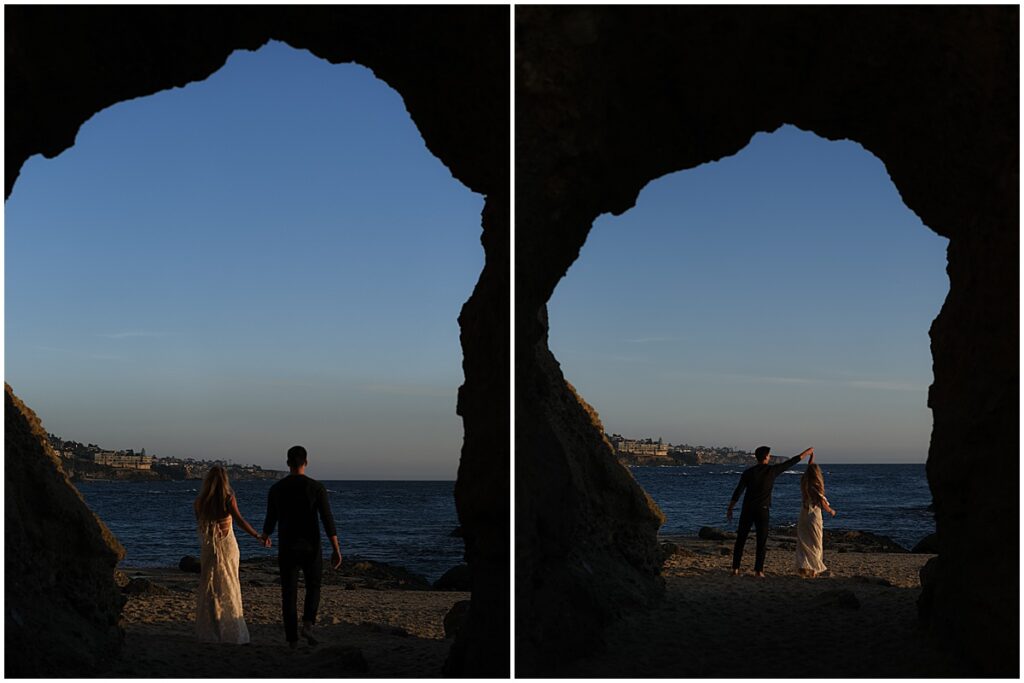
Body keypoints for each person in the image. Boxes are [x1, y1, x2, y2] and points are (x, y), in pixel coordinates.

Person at [260, 445, 343, 648]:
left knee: (288, 592)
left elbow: (271, 518)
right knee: (313, 586)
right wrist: (336, 549)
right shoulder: (316, 488)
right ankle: (307, 623)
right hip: (311, 546)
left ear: (288, 463)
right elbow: (327, 519)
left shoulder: (276, 489)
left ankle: (292, 640)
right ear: (306, 462)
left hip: (287, 547)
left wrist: (265, 536)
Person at [193, 465, 263, 644]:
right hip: (228, 547)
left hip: (209, 548)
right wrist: (257, 535)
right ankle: (232, 631)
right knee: (230, 585)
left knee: (210, 587)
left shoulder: (199, 502)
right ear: (225, 481)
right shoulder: (228, 499)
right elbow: (240, 521)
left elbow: (202, 526)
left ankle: (212, 630)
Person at [727, 445, 814, 577]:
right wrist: (807, 453)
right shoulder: (771, 471)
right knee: (761, 542)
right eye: (769, 455)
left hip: (747, 510)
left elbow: (738, 491)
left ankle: (735, 569)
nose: (769, 457)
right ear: (766, 457)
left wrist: (730, 508)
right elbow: (791, 462)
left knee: (741, 539)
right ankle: (758, 571)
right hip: (763, 510)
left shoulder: (748, 473)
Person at [796, 452, 836, 578]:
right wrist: (831, 511)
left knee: (803, 542)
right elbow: (822, 502)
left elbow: (809, 468)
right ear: (817, 474)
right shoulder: (816, 486)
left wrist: (811, 456)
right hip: (813, 515)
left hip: (803, 514)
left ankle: (803, 568)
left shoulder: (804, 482)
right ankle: (814, 570)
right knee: (816, 543)